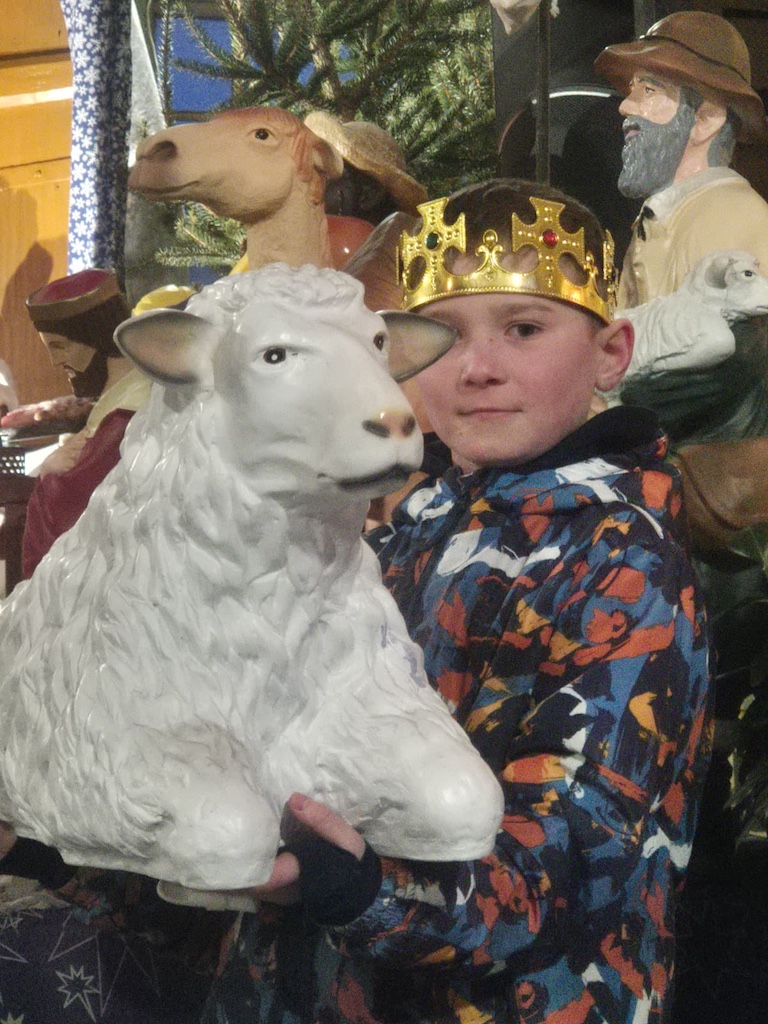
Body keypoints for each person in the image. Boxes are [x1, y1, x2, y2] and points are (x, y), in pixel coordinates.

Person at [202, 179, 713, 1024]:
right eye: (444, 336)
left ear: (611, 353)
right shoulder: (408, 528)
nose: (477, 368)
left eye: (524, 329)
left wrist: (358, 887)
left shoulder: (626, 564)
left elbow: (578, 856)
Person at [594, 10, 768, 309]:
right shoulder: (667, 215)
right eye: (633, 89)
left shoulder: (732, 219)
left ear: (705, 120)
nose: (625, 106)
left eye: (649, 90)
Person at [21, 267, 152, 577]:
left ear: (94, 337)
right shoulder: (122, 399)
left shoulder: (124, 415)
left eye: (60, 347)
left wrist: (48, 474)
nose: (55, 361)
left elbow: (69, 510)